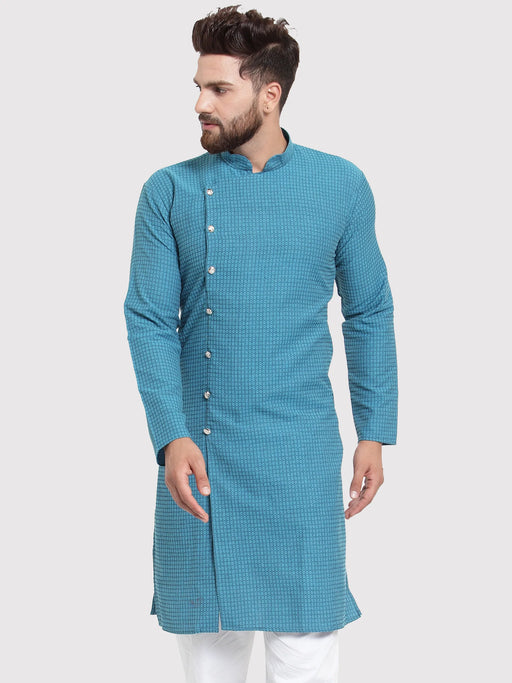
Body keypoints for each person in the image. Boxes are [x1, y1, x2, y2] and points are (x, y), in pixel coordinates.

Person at [123, 5, 398, 682]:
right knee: (209, 666)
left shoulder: (339, 184)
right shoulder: (168, 191)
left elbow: (368, 310)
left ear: (269, 94)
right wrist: (170, 435)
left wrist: (374, 431)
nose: (200, 104)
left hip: (300, 460)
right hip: (201, 459)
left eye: (219, 89)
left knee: (307, 658)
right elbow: (149, 318)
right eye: (198, 87)